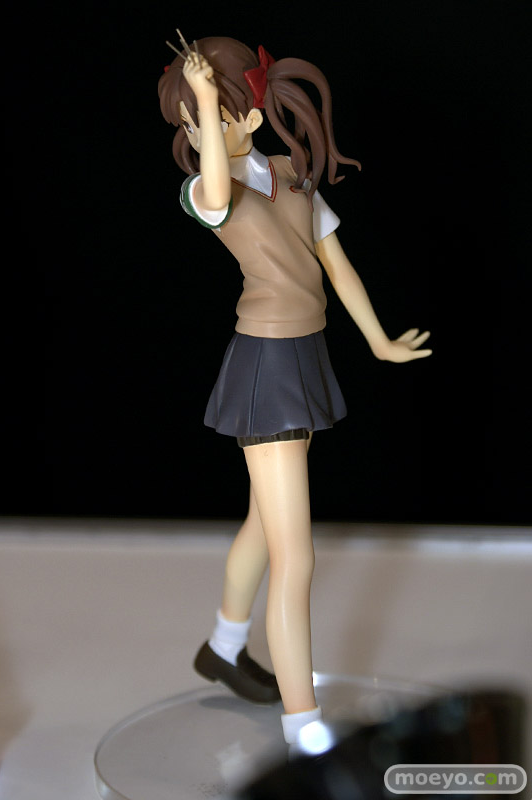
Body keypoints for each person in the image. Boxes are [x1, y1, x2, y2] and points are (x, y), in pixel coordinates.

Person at [158, 34, 432, 746]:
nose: (200, 131)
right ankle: (302, 726)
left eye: (215, 114)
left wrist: (377, 339)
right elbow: (217, 185)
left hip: (305, 356)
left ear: (250, 117)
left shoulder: (291, 176)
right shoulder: (206, 192)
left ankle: (222, 648)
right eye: (191, 121)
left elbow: (335, 266)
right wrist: (207, 101)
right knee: (296, 556)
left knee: (264, 520)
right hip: (267, 367)